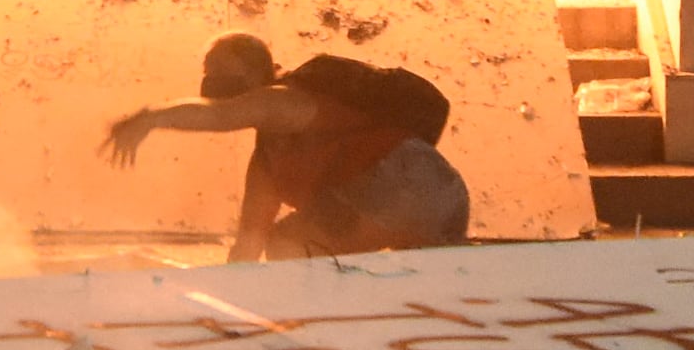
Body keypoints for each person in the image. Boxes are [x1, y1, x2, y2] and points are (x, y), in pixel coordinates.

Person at [102, 46, 473, 258]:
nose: (211, 82)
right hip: (441, 195)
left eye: (223, 71)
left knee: (289, 246)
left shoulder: (284, 101)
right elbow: (249, 241)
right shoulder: (267, 161)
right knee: (285, 241)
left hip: (407, 180)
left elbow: (220, 114)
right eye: (208, 72)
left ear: (256, 72)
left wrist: (149, 119)